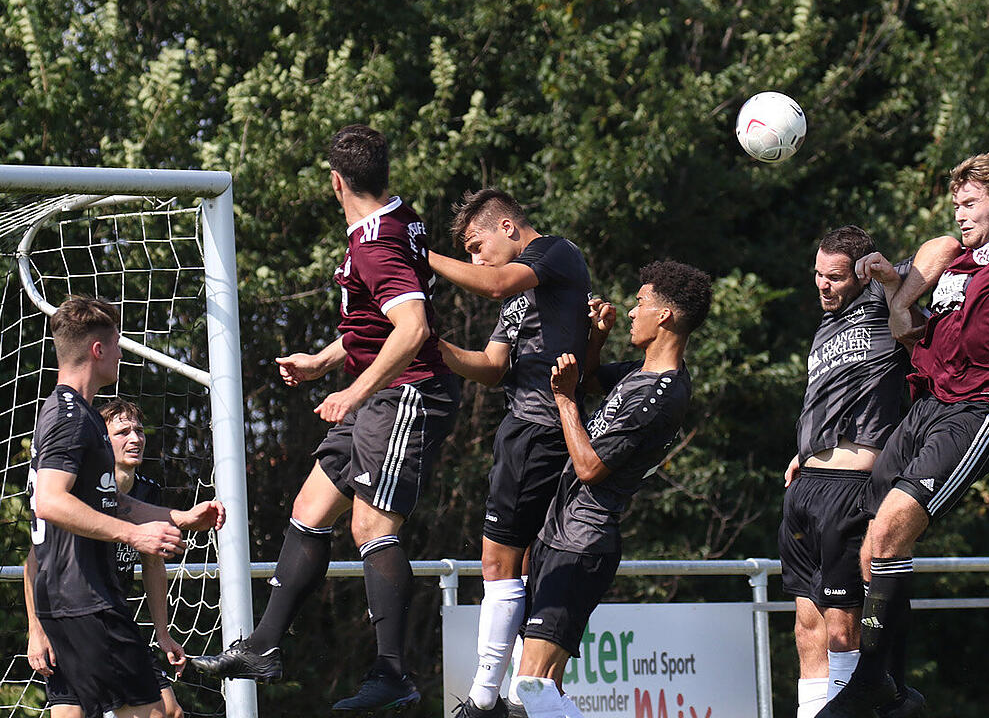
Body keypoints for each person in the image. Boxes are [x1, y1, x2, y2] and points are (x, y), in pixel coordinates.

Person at [189, 124, 460, 714]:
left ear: (336, 182)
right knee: (309, 509)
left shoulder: (375, 243)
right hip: (382, 393)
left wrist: (355, 393)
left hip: (406, 394)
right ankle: (263, 647)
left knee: (370, 527)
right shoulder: (397, 217)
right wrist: (323, 360)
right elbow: (377, 322)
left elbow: (413, 329)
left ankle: (393, 676)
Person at [819, 134, 989, 718]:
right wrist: (891, 287)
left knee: (895, 527)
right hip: (922, 409)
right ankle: (895, 690)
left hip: (974, 410)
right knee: (875, 548)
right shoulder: (954, 262)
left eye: (970, 202)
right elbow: (912, 322)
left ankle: (871, 683)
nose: (959, 213)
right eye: (956, 203)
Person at [507, 261, 711, 718]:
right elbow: (593, 379)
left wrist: (563, 401)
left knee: (527, 691)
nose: (632, 311)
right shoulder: (640, 375)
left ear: (664, 317)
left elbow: (589, 467)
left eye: (641, 303)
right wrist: (594, 339)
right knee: (544, 692)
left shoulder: (660, 392)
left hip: (581, 542)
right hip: (560, 537)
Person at [779, 227, 959, 718]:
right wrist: (806, 449)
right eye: (817, 274)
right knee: (807, 626)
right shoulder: (824, 325)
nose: (822, 285)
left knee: (843, 629)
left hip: (852, 488)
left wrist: (894, 285)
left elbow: (944, 244)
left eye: (834, 277)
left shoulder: (880, 294)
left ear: (859, 272)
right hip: (806, 488)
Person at [425, 189, 592, 718]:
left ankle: (482, 701)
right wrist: (429, 345)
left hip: (538, 428)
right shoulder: (523, 296)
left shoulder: (555, 253)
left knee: (497, 562)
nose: (476, 260)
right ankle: (516, 694)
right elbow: (493, 364)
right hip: (524, 429)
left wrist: (416, 254)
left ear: (508, 227)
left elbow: (494, 281)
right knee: (515, 564)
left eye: (477, 245)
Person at [26, 296, 225, 718]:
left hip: (76, 600)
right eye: (117, 342)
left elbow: (109, 501)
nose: (121, 351)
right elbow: (49, 500)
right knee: (157, 713)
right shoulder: (71, 419)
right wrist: (134, 534)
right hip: (84, 599)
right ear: (98, 349)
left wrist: (181, 518)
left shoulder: (78, 415)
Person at [25, 398, 187, 718]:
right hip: (71, 620)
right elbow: (35, 560)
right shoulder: (75, 492)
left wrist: (164, 633)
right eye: (123, 431)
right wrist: (35, 631)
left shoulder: (148, 493)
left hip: (114, 620)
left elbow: (153, 564)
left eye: (139, 430)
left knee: (168, 712)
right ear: (101, 440)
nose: (135, 438)